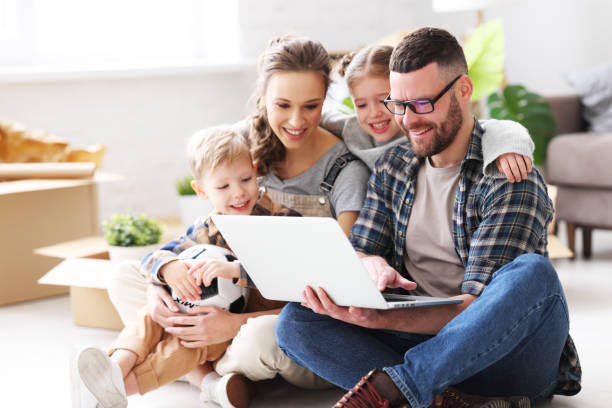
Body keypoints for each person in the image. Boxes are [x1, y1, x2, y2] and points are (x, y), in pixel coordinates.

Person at [276, 28, 581, 408]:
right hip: (419, 341)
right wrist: (370, 265)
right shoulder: (394, 166)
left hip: (502, 357)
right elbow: (361, 249)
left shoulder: (508, 177)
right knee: (296, 322)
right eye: (398, 105)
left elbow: (475, 308)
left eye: (421, 104)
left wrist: (382, 320)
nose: (407, 121)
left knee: (533, 275)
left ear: (463, 90)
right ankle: (444, 399)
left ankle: (399, 390)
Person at [71, 126, 304, 408]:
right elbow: (155, 257)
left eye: (245, 179)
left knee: (187, 344)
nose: (239, 192)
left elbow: (293, 275)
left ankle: (121, 389)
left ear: (255, 171)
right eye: (223, 186)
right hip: (208, 320)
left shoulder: (282, 220)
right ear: (202, 190)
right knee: (152, 313)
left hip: (248, 331)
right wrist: (167, 270)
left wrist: (236, 271)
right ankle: (114, 369)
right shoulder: (205, 228)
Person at [322, 44, 535, 180]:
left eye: (385, 100)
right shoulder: (352, 129)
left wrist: (508, 149)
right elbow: (320, 118)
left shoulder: (424, 131)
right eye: (361, 105)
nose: (374, 113)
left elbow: (493, 128)